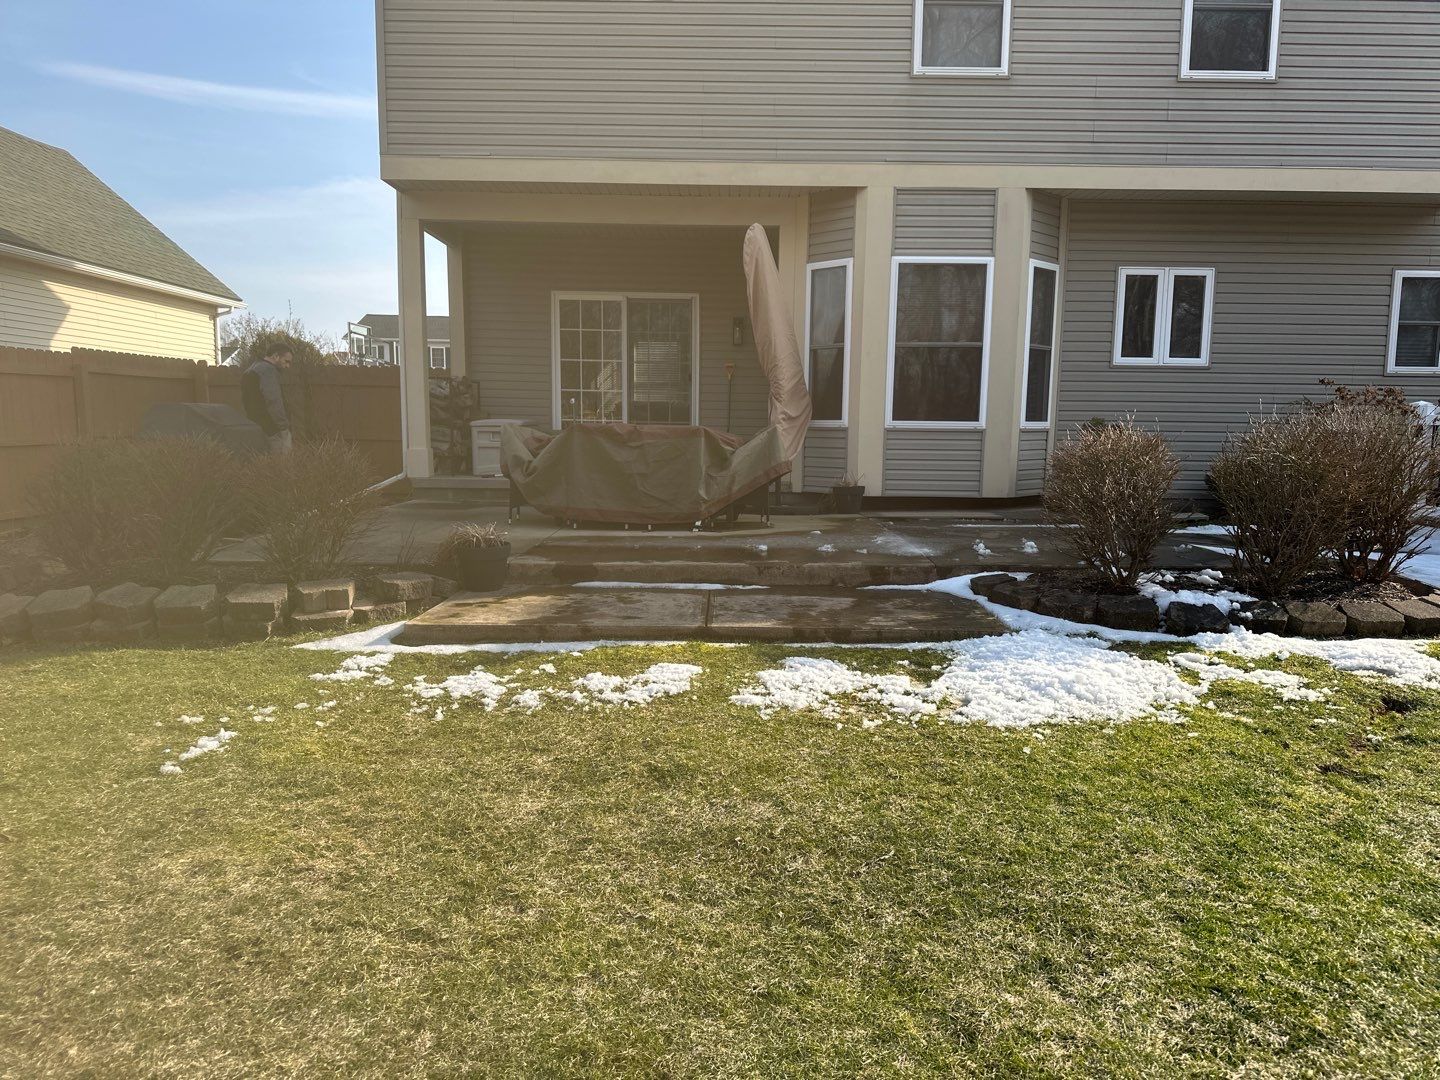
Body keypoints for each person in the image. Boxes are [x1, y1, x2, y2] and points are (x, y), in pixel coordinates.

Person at [241, 338, 293, 453]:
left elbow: (247, 402)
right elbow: (274, 401)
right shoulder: (268, 371)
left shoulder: (251, 370)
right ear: (276, 356)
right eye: (286, 361)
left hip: (256, 427)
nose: (287, 366)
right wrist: (283, 427)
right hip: (274, 431)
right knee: (282, 462)